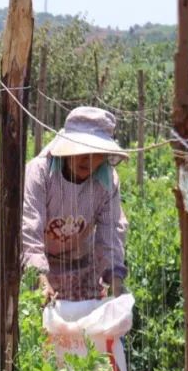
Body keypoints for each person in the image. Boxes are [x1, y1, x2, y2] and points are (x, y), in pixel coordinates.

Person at [21, 107, 129, 303]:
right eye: (81, 149)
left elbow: (110, 233)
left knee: (86, 328)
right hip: (37, 263)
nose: (87, 159)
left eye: (96, 153)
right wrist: (39, 277)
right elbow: (29, 227)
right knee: (36, 324)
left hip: (80, 265)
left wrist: (116, 282)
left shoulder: (106, 182)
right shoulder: (40, 173)